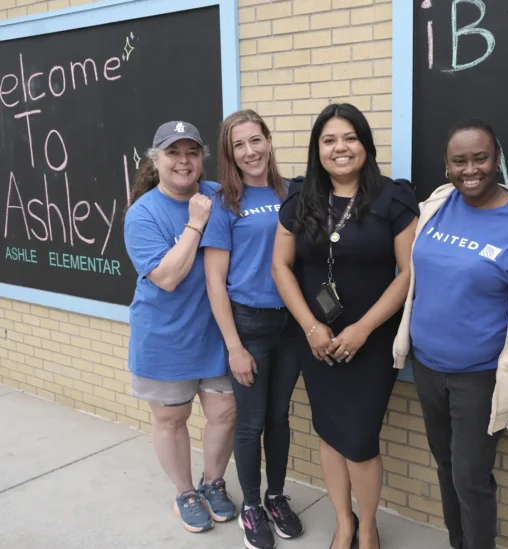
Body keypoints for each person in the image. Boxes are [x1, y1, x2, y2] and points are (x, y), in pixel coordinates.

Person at [392, 119, 508, 549]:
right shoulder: (436, 205)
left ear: (497, 158)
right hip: (428, 368)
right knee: (447, 469)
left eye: (480, 158)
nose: (471, 169)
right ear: (446, 166)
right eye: (459, 161)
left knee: (471, 479)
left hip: (481, 379)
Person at [272, 103, 419, 549]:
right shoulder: (300, 200)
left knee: (359, 439)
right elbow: (280, 266)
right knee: (329, 432)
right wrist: (312, 326)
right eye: (329, 140)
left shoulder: (393, 199)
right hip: (316, 341)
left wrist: (363, 329)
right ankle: (344, 523)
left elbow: (410, 273)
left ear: (365, 144)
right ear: (318, 150)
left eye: (350, 138)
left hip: (370, 345)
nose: (341, 148)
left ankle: (369, 528)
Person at [124, 121, 237, 534]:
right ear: (156, 160)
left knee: (225, 412)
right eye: (173, 152)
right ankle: (185, 491)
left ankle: (213, 483)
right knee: (172, 419)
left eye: (191, 152)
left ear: (202, 157)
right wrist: (194, 223)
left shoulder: (219, 196)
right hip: (165, 336)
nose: (183, 161)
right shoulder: (143, 213)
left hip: (216, 332)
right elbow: (168, 277)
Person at [201, 109, 303, 549]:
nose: (249, 151)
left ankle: (276, 496)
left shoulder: (293, 193)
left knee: (280, 418)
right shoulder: (226, 202)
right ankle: (252, 507)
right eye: (238, 145)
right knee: (252, 421)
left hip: (292, 324)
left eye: (255, 140)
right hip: (250, 324)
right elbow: (214, 281)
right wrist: (233, 346)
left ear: (269, 140)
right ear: (230, 154)